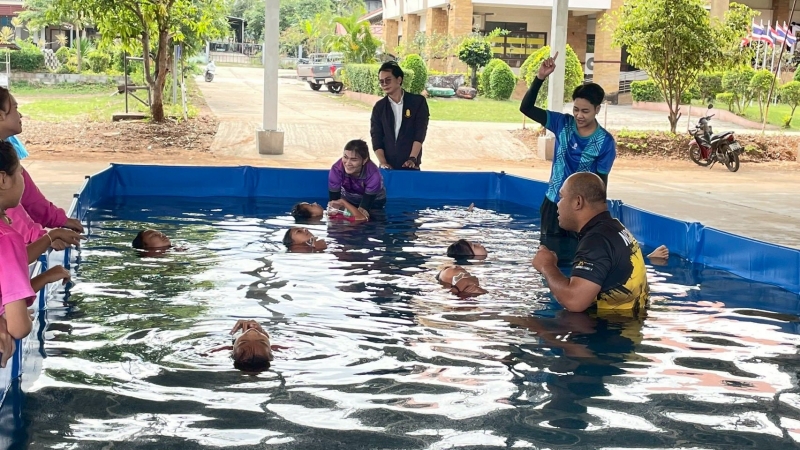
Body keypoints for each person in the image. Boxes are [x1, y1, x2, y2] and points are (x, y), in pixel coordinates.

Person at [519, 52, 616, 265]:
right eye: (576, 109)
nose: (579, 115)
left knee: (577, 263)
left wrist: (599, 221)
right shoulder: (562, 123)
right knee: (548, 262)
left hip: (582, 212)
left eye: (585, 111)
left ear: (597, 109)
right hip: (553, 204)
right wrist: (540, 77)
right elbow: (525, 108)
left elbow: (601, 186)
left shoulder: (605, 142)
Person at [532, 172, 649, 314]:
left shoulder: (596, 241)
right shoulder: (614, 228)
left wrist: (547, 266)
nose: (557, 204)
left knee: (524, 322)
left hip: (611, 325)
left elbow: (574, 301)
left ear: (578, 202)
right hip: (628, 321)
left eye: (561, 197)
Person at [0, 141, 70, 341]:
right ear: (3, 179)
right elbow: (19, 327)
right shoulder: (7, 238)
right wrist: (18, 315)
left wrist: (50, 238)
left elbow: (11, 262)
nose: (23, 180)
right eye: (20, 173)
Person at [0, 87, 84, 239]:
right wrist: (43, 239)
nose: (20, 115)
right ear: (1, 116)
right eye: (15, 108)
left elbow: (29, 196)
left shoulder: (6, 153)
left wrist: (59, 219)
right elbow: (10, 212)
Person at [370, 61, 430, 170]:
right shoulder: (379, 107)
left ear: (399, 80)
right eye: (381, 81)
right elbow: (376, 137)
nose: (384, 84)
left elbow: (420, 132)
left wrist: (412, 159)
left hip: (411, 165)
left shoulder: (417, 102)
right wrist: (383, 163)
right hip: (388, 168)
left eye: (388, 80)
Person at [328, 139, 386, 220]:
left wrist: (345, 204)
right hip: (349, 199)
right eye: (345, 157)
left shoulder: (373, 175)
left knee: (368, 221)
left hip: (374, 201)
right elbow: (334, 205)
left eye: (354, 159)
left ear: (364, 160)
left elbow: (363, 214)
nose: (348, 163)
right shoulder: (336, 169)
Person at [208, 319, 274, 373]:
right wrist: (263, 332)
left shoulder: (226, 347)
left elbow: (208, 353)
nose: (252, 331)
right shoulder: (274, 346)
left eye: (243, 341)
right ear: (272, 348)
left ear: (231, 348)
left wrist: (232, 333)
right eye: (262, 341)